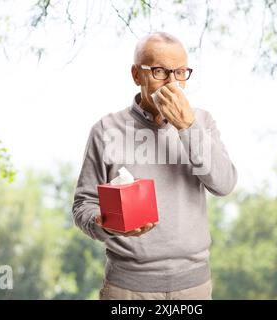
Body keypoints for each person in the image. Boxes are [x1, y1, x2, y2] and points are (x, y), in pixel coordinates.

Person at [72, 31, 238, 300]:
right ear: (137, 75)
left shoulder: (202, 122)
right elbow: (83, 205)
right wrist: (104, 223)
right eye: (160, 71)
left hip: (194, 286)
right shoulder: (106, 129)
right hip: (127, 288)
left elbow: (225, 183)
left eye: (181, 72)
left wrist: (187, 127)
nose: (172, 83)